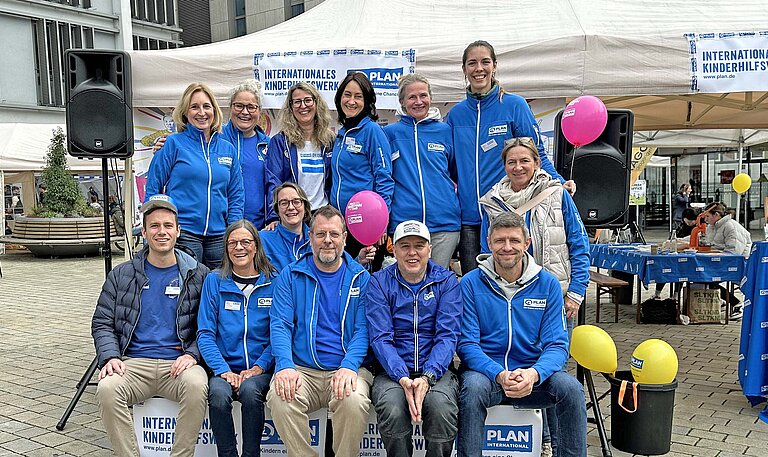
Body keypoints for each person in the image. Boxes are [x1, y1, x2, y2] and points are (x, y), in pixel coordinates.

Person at [456, 212, 587, 457]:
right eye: (500, 241)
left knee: (571, 388)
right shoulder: (471, 283)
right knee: (471, 388)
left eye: (514, 240)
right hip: (488, 376)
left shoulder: (547, 284)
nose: (507, 247)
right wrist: (498, 374)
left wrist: (534, 373)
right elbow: (467, 345)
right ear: (488, 242)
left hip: (532, 377)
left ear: (526, 243)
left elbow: (558, 345)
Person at [92, 194, 209, 457]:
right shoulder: (122, 275)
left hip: (178, 364)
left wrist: (192, 354)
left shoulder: (198, 274)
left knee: (197, 385)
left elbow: (211, 326)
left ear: (178, 231)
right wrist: (110, 356)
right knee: (108, 389)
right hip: (133, 363)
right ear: (143, 232)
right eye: (154, 226)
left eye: (168, 226)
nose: (162, 232)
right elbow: (102, 323)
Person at [446, 40, 572, 274]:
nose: (479, 68)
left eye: (485, 62)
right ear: (464, 69)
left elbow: (536, 154)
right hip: (470, 220)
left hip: (507, 214)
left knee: (511, 284)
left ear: (495, 66)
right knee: (477, 287)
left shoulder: (515, 106)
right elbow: (452, 167)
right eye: (472, 63)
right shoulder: (456, 115)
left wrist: (557, 181)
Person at [267, 205, 372, 457]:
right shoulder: (290, 275)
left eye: (334, 234)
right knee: (281, 398)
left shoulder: (361, 278)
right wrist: (285, 365)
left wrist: (349, 365)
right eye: (320, 234)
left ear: (345, 239)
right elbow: (280, 324)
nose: (328, 241)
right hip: (302, 370)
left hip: (348, 368)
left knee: (354, 401)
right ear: (310, 237)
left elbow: (363, 330)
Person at [366, 220, 462, 456]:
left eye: (419, 245)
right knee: (392, 409)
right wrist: (402, 378)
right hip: (391, 373)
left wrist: (428, 377)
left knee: (441, 409)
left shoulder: (446, 281)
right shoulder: (379, 282)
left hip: (437, 372)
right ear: (394, 249)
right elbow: (380, 337)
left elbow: (447, 336)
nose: (412, 252)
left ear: (430, 249)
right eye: (405, 245)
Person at [479, 137, 589, 325]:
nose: (518, 167)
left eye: (525, 161)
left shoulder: (557, 194)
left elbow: (579, 243)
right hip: (508, 298)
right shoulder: (492, 203)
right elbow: (486, 250)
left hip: (554, 296)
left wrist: (576, 292)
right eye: (511, 162)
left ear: (537, 163)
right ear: (504, 166)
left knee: (555, 352)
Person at [197, 220, 276, 456]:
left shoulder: (275, 281)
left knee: (251, 391)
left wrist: (259, 367)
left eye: (245, 242)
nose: (239, 247)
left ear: (256, 246)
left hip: (260, 371)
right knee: (219, 394)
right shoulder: (214, 281)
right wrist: (223, 370)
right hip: (224, 368)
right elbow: (205, 334)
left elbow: (280, 334)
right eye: (232, 243)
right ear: (226, 248)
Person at [146, 82, 244, 269]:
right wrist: (164, 226)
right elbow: (153, 188)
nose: (201, 112)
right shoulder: (172, 143)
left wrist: (234, 230)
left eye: (206, 106)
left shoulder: (227, 149)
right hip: (185, 233)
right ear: (185, 112)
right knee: (188, 292)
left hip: (219, 236)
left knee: (217, 290)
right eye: (194, 107)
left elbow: (236, 195)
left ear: (214, 110)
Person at [383, 74, 461, 268]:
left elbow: (454, 171)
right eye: (412, 97)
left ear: (431, 98)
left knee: (437, 283)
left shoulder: (445, 131)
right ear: (402, 102)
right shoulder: (390, 134)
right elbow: (384, 176)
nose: (419, 102)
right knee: (409, 284)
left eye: (423, 96)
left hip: (444, 224)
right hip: (405, 224)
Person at [331, 72, 394, 269]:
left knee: (365, 283)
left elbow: (384, 178)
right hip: (341, 224)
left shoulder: (373, 131)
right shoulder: (341, 134)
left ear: (366, 101)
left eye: (358, 96)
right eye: (347, 95)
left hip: (366, 225)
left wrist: (381, 221)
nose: (351, 101)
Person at [265, 82, 334, 223]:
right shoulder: (280, 142)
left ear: (316, 103)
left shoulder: (330, 141)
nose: (303, 106)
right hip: (293, 215)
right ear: (290, 107)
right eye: (297, 102)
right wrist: (273, 217)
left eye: (308, 100)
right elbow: (273, 181)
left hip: (322, 215)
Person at [220, 79, 271, 229]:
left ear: (259, 111)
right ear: (230, 107)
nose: (245, 112)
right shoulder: (215, 137)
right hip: (219, 229)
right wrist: (165, 144)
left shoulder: (269, 144)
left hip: (259, 228)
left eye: (251, 107)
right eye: (239, 106)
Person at [701, 202, 752, 319]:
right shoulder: (712, 226)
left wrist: (712, 252)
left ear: (717, 215)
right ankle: (721, 300)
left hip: (738, 263)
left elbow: (734, 253)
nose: (705, 219)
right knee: (700, 276)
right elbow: (709, 243)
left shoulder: (731, 227)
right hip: (721, 260)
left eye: (707, 216)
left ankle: (738, 304)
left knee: (707, 278)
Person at [260, 182, 312, 271]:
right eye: (284, 203)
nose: (291, 207)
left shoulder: (317, 239)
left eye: (296, 202)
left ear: (305, 207)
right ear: (277, 210)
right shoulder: (263, 239)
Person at [653, 207, 698, 298]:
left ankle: (676, 294)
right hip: (677, 252)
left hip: (691, 255)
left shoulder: (698, 227)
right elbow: (672, 239)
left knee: (681, 270)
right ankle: (657, 293)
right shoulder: (681, 227)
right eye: (688, 221)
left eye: (691, 221)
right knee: (665, 267)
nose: (689, 223)